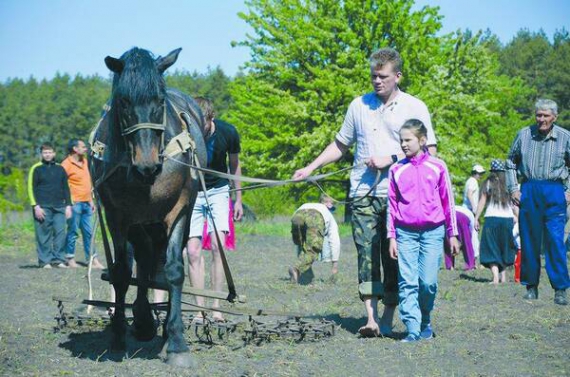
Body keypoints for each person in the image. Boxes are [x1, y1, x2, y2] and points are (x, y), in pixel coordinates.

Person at [293, 48, 438, 338]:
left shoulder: (415, 107)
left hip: (401, 195)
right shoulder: (358, 105)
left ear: (397, 76)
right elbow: (340, 145)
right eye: (373, 75)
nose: (376, 81)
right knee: (366, 254)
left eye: (383, 76)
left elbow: (430, 152)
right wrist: (311, 167)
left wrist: (392, 159)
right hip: (361, 192)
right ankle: (371, 318)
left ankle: (389, 313)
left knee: (393, 257)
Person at [387, 119, 459, 342]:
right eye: (401, 140)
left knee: (427, 283)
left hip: (433, 232)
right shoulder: (396, 169)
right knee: (407, 281)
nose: (404, 144)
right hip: (405, 233)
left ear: (422, 140)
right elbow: (392, 205)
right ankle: (412, 328)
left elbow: (449, 202)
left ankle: (425, 319)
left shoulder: (438, 166)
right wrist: (392, 236)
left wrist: (452, 233)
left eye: (408, 140)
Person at [506, 98, 570, 305]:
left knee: (555, 240)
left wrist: (569, 192)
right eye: (538, 115)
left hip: (554, 190)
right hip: (530, 188)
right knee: (529, 241)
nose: (541, 119)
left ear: (554, 117)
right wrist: (513, 188)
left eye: (545, 115)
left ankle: (560, 288)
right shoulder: (524, 134)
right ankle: (531, 286)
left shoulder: (565, 137)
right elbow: (510, 161)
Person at [186, 97, 243, 321]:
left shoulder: (228, 132)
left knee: (218, 246)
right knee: (192, 251)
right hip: (192, 192)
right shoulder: (186, 135)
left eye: (203, 124)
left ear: (211, 117)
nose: (198, 130)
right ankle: (199, 309)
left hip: (219, 191)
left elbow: (235, 166)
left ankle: (216, 307)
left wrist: (238, 199)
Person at [61, 139, 104, 269]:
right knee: (73, 231)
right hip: (75, 203)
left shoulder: (85, 162)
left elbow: (88, 183)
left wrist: (91, 200)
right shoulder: (66, 164)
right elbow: (62, 185)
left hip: (87, 202)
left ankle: (92, 259)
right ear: (75, 149)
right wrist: (67, 203)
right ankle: (70, 258)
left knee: (89, 232)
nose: (85, 149)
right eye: (83, 147)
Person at [28, 143, 72, 268]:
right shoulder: (36, 168)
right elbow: (31, 188)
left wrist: (69, 205)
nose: (47, 155)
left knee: (60, 234)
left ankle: (58, 260)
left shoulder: (60, 168)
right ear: (41, 154)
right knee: (43, 235)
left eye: (50, 152)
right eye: (45, 152)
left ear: (54, 153)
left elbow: (66, 188)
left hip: (59, 206)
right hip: (42, 207)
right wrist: (35, 206)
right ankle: (45, 261)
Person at [475, 159, 516, 284]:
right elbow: (515, 203)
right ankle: (503, 277)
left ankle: (495, 278)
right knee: (503, 246)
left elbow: (482, 201)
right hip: (507, 219)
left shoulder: (488, 183)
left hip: (492, 218)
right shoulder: (509, 183)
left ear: (492, 171)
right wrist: (516, 217)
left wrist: (476, 217)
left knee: (490, 247)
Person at [288, 194, 340, 283]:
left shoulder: (308, 204)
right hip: (314, 217)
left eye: (331, 205)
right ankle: (296, 269)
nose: (330, 207)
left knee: (301, 245)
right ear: (325, 204)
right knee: (313, 250)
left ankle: (304, 273)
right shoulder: (327, 214)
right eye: (327, 202)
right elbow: (335, 241)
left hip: (297, 214)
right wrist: (334, 266)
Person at [463, 164, 485, 267]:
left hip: (467, 210)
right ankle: (475, 261)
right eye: (479, 173)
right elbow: (469, 194)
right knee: (474, 236)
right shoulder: (473, 181)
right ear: (474, 173)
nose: (480, 176)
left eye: (481, 174)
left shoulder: (469, 181)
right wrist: (475, 210)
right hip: (470, 211)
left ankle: (473, 261)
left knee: (471, 235)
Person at [444, 205, 476, 271]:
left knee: (448, 240)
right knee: (467, 242)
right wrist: (475, 257)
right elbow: (473, 242)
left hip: (448, 214)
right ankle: (471, 265)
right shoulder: (472, 221)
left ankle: (450, 266)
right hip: (463, 216)